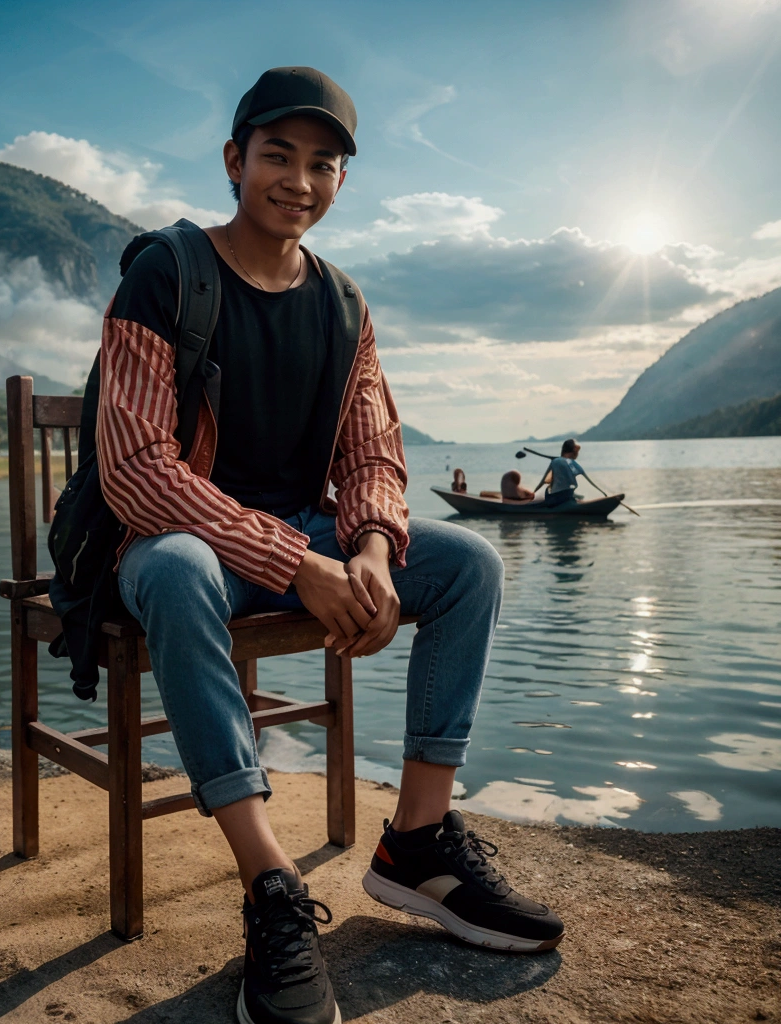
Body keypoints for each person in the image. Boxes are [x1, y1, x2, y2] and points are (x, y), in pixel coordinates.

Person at [97, 66, 563, 1024]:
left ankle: (419, 845)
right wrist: (295, 564)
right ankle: (272, 891)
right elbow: (136, 470)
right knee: (181, 571)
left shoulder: (344, 303)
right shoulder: (167, 272)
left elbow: (374, 452)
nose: (299, 180)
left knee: (469, 563)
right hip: (177, 538)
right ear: (235, 161)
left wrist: (374, 553)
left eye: (323, 164)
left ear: (342, 181)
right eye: (278, 155)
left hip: (304, 533)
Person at [541, 438, 586, 506]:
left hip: (565, 495)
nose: (577, 454)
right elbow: (544, 481)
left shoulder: (564, 462)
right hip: (557, 498)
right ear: (572, 451)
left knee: (579, 497)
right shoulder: (557, 462)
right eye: (576, 452)